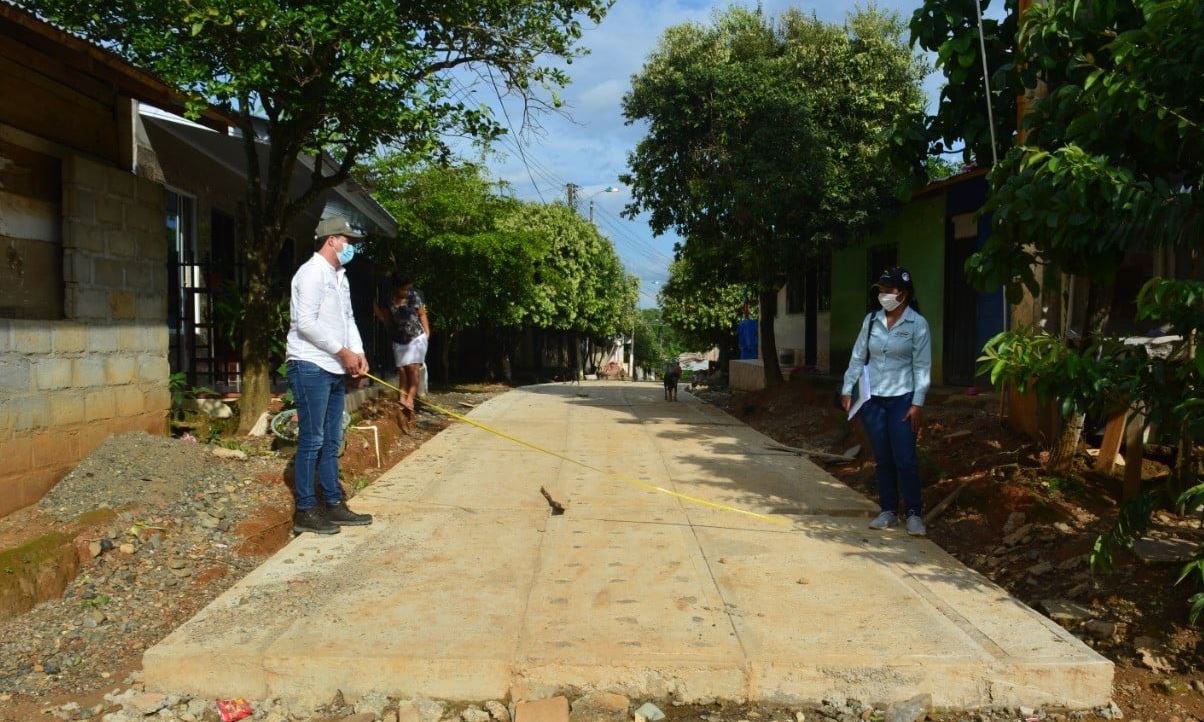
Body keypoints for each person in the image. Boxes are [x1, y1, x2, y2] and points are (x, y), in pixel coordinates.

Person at [284, 216, 374, 535]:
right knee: (313, 438)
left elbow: (347, 318)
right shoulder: (310, 274)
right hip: (310, 365)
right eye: (346, 240)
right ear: (331, 240)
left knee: (332, 437)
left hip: (334, 365)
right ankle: (306, 510)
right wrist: (342, 351)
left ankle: (333, 504)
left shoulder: (339, 276)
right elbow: (305, 323)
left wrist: (357, 351)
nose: (349, 247)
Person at [840, 266, 932, 537]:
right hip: (873, 400)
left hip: (903, 399)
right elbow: (858, 357)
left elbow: (922, 366)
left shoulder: (918, 324)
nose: (883, 295)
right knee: (882, 459)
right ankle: (888, 511)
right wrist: (847, 389)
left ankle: (914, 513)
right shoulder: (871, 322)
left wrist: (918, 403)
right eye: (880, 290)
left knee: (904, 458)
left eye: (888, 290)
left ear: (902, 293)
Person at [373, 274, 430, 411]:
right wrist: (374, 307)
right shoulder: (389, 299)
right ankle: (402, 399)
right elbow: (385, 318)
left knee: (413, 369)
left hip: (416, 337)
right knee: (402, 371)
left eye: (409, 289)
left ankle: (409, 400)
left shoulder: (413, 297)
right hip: (399, 339)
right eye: (404, 289)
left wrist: (427, 333)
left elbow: (422, 314)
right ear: (397, 288)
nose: (407, 292)